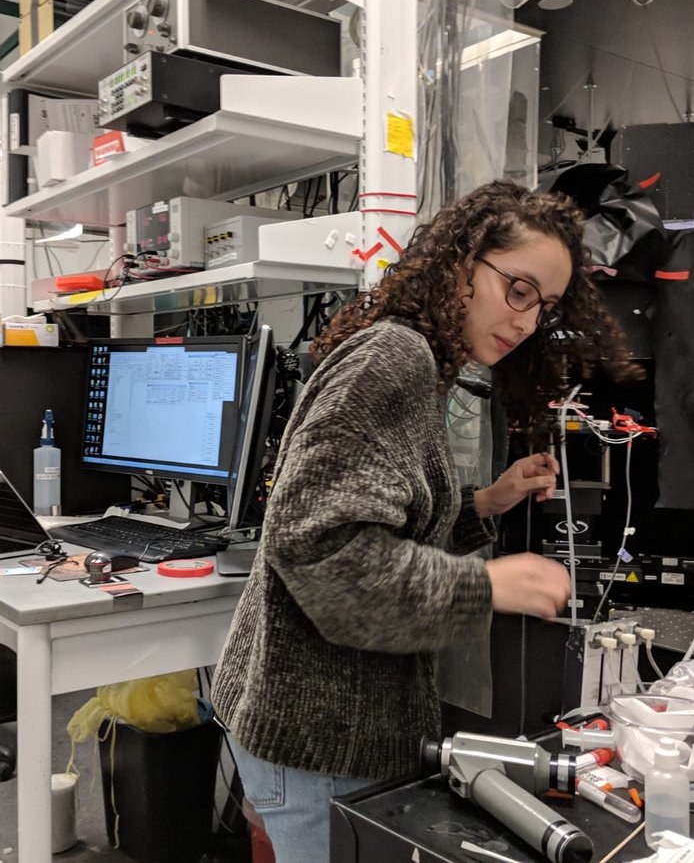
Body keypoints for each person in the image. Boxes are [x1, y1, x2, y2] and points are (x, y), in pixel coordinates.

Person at [210, 180, 635, 862]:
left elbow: (384, 519)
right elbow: (322, 552)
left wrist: (483, 504)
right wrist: (487, 585)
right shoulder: (394, 359)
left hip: (321, 732)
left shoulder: (421, 361)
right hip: (319, 744)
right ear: (461, 264)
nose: (527, 321)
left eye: (544, 306)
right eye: (518, 290)